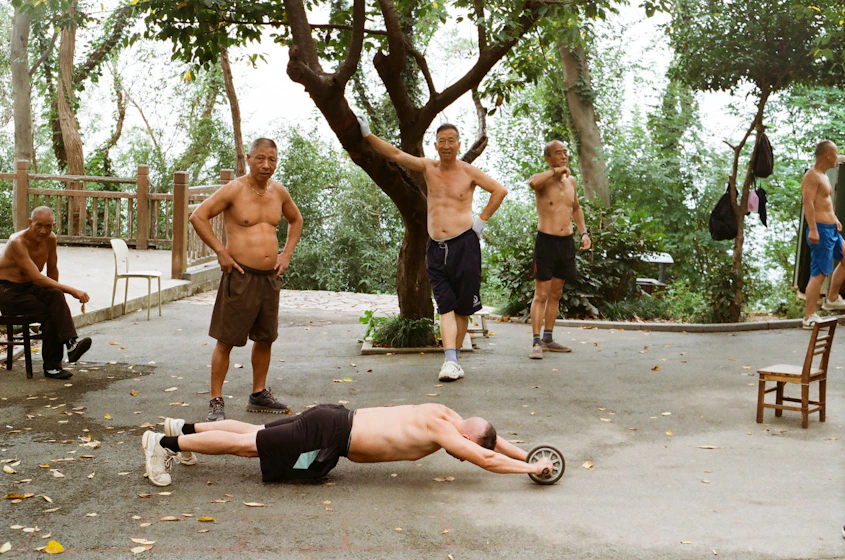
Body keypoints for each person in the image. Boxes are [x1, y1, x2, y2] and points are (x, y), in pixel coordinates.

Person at [357, 116, 507, 381]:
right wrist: (367, 134)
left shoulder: (468, 172)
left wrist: (480, 222)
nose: (446, 145)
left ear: (459, 144)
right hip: (436, 247)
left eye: (451, 141)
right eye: (441, 141)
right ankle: (450, 361)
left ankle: (454, 359)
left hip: (465, 245)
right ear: (435, 145)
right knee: (445, 306)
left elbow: (499, 190)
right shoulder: (428, 167)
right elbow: (395, 154)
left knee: (462, 310)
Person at [141, 402, 555, 487]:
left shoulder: (448, 413)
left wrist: (529, 454)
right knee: (248, 445)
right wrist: (530, 469)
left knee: (252, 433)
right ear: (464, 435)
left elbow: (491, 442)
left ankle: (185, 427)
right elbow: (485, 457)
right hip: (330, 433)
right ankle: (164, 443)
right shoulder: (447, 433)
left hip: (335, 419)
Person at [190, 138, 303, 420]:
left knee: (265, 338)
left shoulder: (279, 192)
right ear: (249, 158)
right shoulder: (234, 189)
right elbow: (198, 216)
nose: (267, 165)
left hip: (269, 278)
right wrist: (221, 252)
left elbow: (296, 220)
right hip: (240, 275)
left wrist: (286, 254)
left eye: (272, 160)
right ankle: (216, 399)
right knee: (226, 340)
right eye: (261, 158)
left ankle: (258, 394)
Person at [0, 207, 91, 379]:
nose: (43, 231)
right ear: (30, 223)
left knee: (55, 296)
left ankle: (71, 344)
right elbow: (37, 278)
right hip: (7, 291)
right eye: (38, 225)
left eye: (48, 226)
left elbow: (52, 271)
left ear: (53, 225)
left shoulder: (51, 239)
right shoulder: (17, 242)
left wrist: (58, 294)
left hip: (28, 287)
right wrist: (73, 291)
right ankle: (52, 366)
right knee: (49, 313)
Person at [527, 141, 590, 359]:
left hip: (566, 242)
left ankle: (548, 338)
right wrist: (554, 171)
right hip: (546, 242)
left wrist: (584, 233)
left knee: (556, 293)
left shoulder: (571, 181)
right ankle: (536, 343)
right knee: (541, 294)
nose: (564, 156)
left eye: (565, 152)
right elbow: (533, 183)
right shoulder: (543, 180)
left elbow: (576, 208)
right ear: (548, 158)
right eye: (558, 153)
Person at [801, 141, 845, 329]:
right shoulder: (812, 176)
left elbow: (824, 202)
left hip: (831, 228)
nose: (837, 158)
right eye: (836, 154)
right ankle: (809, 316)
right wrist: (812, 229)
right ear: (827, 155)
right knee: (818, 273)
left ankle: (832, 298)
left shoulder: (824, 176)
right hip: (820, 229)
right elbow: (808, 203)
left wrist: (834, 218)